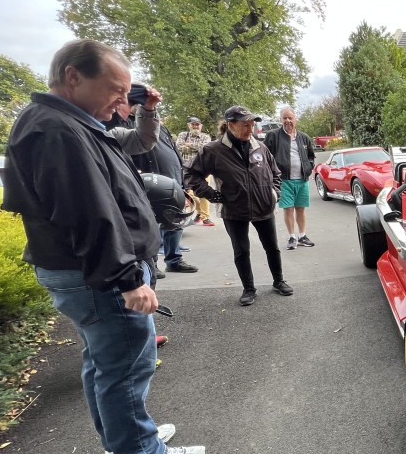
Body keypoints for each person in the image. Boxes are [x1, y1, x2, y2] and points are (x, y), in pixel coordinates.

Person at [1, 39, 205, 454]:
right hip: (99, 274)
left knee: (104, 361)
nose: (121, 99)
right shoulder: (58, 131)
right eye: (115, 88)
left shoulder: (65, 122)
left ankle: (122, 441)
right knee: (128, 363)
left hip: (85, 271)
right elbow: (90, 214)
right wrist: (129, 278)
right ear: (74, 76)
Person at [186, 105, 294, 306]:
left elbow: (276, 173)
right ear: (230, 125)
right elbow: (192, 175)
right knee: (242, 250)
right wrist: (212, 195)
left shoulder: (259, 147)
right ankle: (249, 289)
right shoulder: (213, 150)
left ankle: (279, 281)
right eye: (245, 124)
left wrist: (275, 192)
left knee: (272, 248)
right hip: (234, 210)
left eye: (252, 124)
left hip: (264, 207)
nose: (250, 129)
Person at [125, 98, 199, 276]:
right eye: (141, 105)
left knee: (175, 221)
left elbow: (173, 150)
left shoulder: (160, 125)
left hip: (172, 181)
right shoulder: (128, 125)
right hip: (152, 185)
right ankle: (152, 264)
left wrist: (181, 179)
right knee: (151, 225)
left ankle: (174, 260)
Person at [263, 106, 316, 250]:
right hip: (284, 180)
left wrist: (309, 168)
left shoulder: (304, 137)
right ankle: (292, 237)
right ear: (281, 120)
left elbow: (311, 156)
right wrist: (272, 176)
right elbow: (265, 157)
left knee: (301, 209)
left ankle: (302, 236)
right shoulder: (273, 136)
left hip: (302, 180)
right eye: (284, 118)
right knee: (288, 209)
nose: (287, 121)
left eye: (290, 118)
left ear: (295, 120)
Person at [176, 116, 215, 226]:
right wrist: (196, 147)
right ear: (189, 125)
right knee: (190, 195)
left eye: (197, 124)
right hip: (187, 170)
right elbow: (179, 147)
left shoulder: (205, 136)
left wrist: (189, 145)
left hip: (203, 169)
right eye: (193, 124)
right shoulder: (183, 135)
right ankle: (199, 212)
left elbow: (206, 148)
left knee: (204, 193)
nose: (195, 126)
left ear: (201, 126)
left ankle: (205, 217)